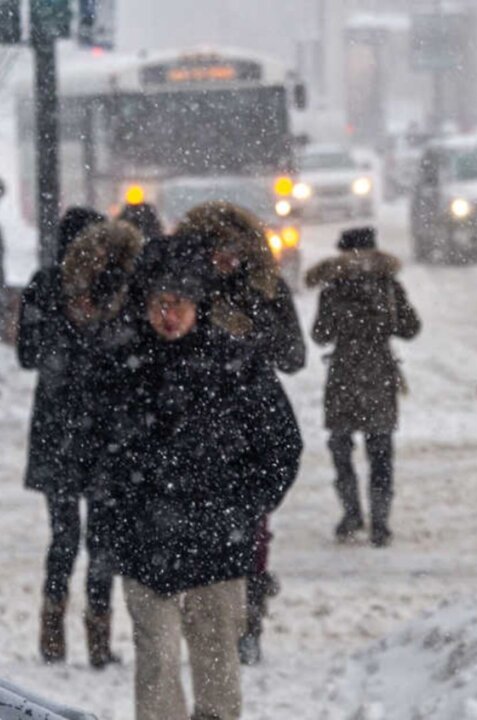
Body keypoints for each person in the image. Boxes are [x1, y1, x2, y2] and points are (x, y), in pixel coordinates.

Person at [99, 234, 301, 720]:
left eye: (179, 304)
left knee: (216, 662)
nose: (168, 316)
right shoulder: (125, 366)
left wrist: (246, 504)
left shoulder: (236, 364)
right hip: (146, 539)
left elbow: (282, 445)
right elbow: (99, 453)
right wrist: (119, 512)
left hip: (218, 538)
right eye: (158, 304)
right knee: (159, 659)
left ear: (199, 304)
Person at [176, 201, 305, 665]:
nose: (225, 259)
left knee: (250, 529)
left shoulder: (263, 290)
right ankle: (206, 621)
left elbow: (293, 355)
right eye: (216, 250)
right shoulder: (184, 291)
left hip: (250, 418)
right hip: (193, 416)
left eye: (233, 249)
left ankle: (247, 620)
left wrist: (251, 330)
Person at [17, 207, 136, 668]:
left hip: (88, 429)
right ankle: (62, 630)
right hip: (74, 429)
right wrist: (70, 324)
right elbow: (30, 355)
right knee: (70, 535)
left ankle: (91, 632)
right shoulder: (48, 287)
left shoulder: (115, 287)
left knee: (94, 536)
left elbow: (128, 350)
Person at [307, 227, 420, 547]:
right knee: (380, 450)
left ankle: (352, 514)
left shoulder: (332, 289)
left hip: (343, 375)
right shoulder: (388, 286)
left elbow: (320, 335)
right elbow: (411, 328)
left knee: (341, 448)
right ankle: (381, 523)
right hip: (379, 373)